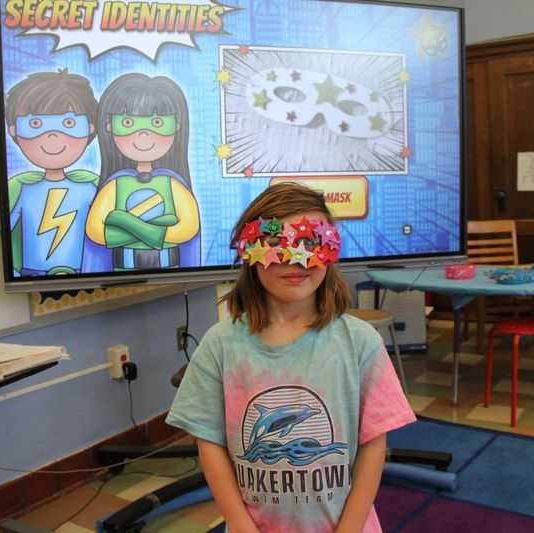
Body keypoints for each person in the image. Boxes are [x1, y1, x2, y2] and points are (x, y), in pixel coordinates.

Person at [166, 182, 416, 532]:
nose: (294, 258)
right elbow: (209, 441)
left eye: (310, 243)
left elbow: (373, 444)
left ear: (330, 249)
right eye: (274, 243)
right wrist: (240, 524)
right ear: (249, 251)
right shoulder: (220, 344)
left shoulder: (361, 342)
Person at [86, 74, 201, 271]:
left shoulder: (172, 184)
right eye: (128, 123)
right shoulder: (116, 184)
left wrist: (121, 220)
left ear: (177, 128)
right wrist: (160, 226)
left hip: (169, 264)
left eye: (157, 123)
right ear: (109, 127)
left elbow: (189, 228)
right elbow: (95, 230)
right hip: (123, 267)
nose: (143, 135)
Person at [5, 69, 105, 275]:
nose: (52, 136)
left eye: (69, 124)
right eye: (35, 124)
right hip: (32, 273)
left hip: (84, 272)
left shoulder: (91, 186)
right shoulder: (21, 189)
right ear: (14, 130)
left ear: (90, 128)